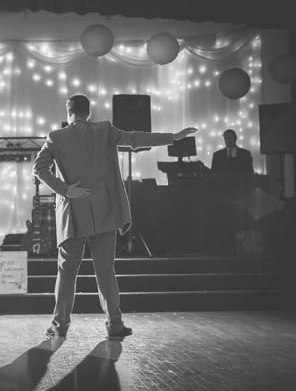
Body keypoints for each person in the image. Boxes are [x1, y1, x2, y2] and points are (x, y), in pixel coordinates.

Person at [33, 94, 197, 338]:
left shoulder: (56, 137)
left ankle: (59, 327)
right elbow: (134, 139)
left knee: (66, 272)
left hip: (72, 213)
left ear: (69, 112)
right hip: (104, 213)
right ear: (89, 112)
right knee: (106, 272)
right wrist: (172, 137)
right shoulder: (104, 130)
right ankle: (115, 325)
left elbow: (39, 169)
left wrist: (66, 189)